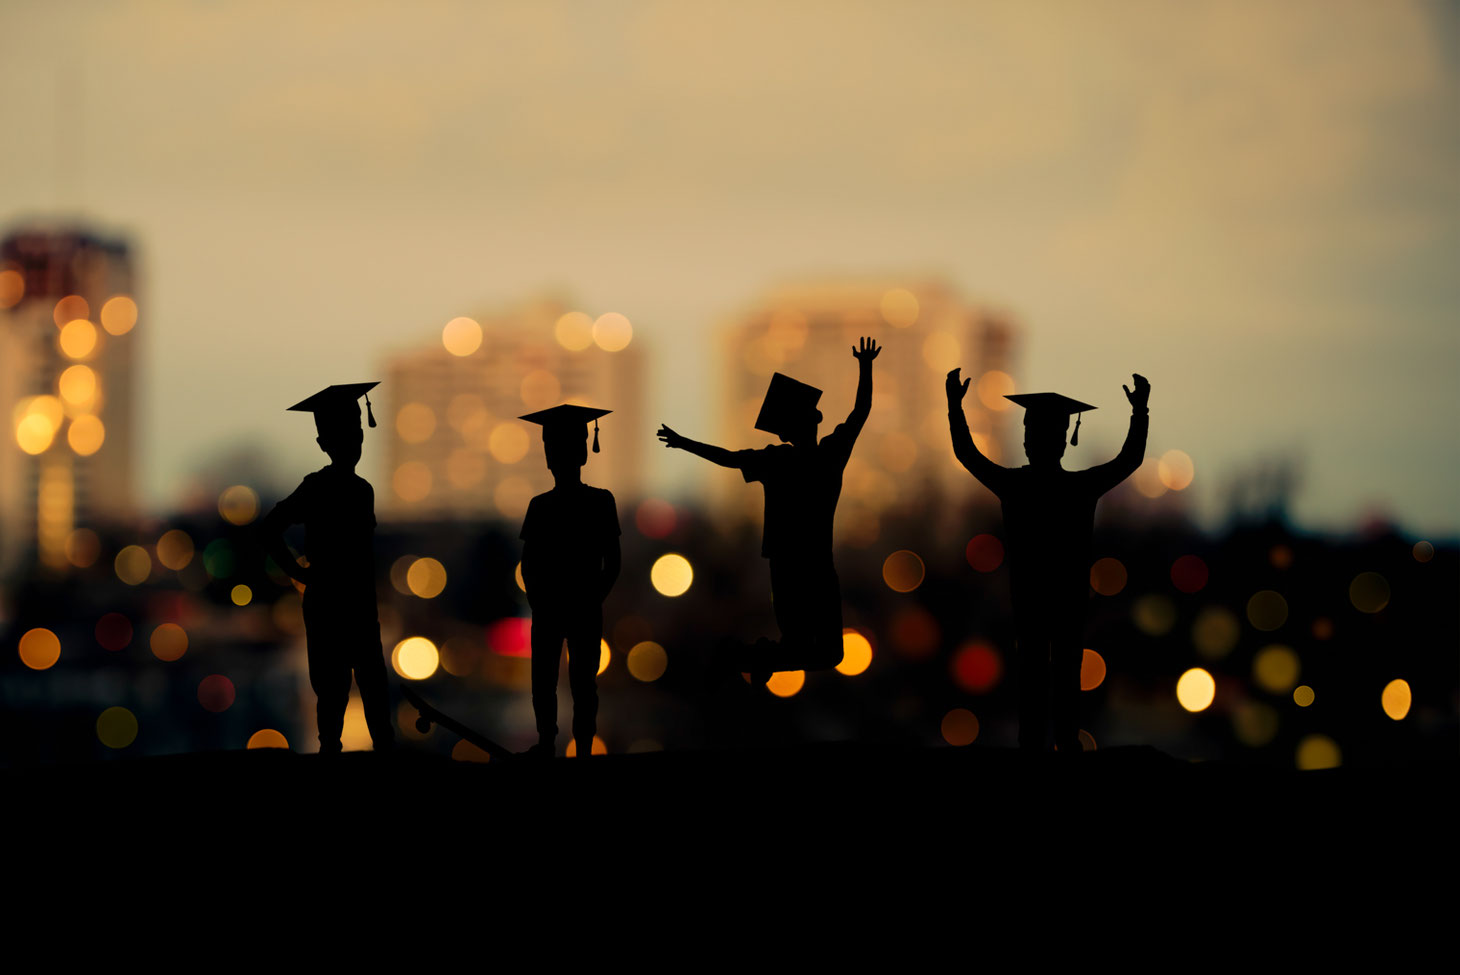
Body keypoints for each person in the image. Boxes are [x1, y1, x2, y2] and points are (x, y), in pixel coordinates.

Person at [947, 368, 1150, 752]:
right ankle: (1064, 743)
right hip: (1068, 596)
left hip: (1029, 594)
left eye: (1033, 433)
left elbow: (966, 454)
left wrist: (955, 407)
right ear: (1062, 443)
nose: (1031, 439)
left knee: (1034, 672)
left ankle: (1035, 745)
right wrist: (1139, 412)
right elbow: (1130, 459)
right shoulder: (1079, 488)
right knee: (1063, 670)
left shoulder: (1015, 486)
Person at [657, 337, 880, 683]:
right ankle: (755, 656)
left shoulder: (781, 460)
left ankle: (754, 656)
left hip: (798, 564)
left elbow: (729, 459)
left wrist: (684, 442)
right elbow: (859, 413)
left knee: (820, 651)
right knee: (823, 651)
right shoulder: (824, 456)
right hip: (808, 564)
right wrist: (865, 368)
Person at [260, 382, 394, 754]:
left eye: (357, 435)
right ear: (325, 444)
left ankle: (376, 749)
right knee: (334, 691)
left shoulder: (362, 489)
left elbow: (271, 529)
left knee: (371, 686)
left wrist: (297, 571)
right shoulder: (317, 487)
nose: (355, 443)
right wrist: (297, 571)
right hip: (333, 604)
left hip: (359, 605)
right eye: (347, 436)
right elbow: (270, 527)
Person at [518, 404, 621, 759]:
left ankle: (567, 746)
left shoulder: (553, 505)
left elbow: (529, 565)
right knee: (561, 684)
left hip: (565, 606)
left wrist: (547, 600)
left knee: (569, 683)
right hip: (570, 605)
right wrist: (591, 598)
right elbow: (529, 564)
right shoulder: (592, 503)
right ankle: (561, 745)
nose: (554, 457)